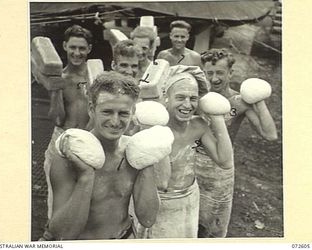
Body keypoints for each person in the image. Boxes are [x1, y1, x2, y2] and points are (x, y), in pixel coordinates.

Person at [41, 71, 159, 240]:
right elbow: (63, 233)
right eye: (107, 112)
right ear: (91, 109)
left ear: (133, 112)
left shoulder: (135, 152)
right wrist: (86, 177)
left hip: (126, 237)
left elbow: (148, 219)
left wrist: (147, 162)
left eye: (123, 113)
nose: (115, 121)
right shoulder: (69, 156)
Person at [138, 65, 233, 238]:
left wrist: (216, 116)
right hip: (158, 202)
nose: (187, 105)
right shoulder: (152, 125)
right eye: (180, 97)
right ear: (166, 98)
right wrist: (157, 130)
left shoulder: (198, 126)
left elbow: (225, 161)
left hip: (188, 198)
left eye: (193, 98)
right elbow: (162, 182)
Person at [196, 48, 278, 237]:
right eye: (209, 73)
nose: (214, 78)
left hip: (221, 169)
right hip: (193, 162)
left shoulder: (239, 102)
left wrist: (258, 100)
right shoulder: (197, 99)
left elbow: (270, 134)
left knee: (214, 223)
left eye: (220, 73)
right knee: (191, 217)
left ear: (230, 73)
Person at [43, 25, 93, 221]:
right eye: (72, 47)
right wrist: (56, 91)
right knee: (59, 202)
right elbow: (56, 119)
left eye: (82, 48)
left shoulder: (96, 76)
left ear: (89, 48)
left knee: (88, 204)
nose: (77, 53)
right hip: (62, 140)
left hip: (90, 143)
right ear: (64, 46)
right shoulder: (59, 77)